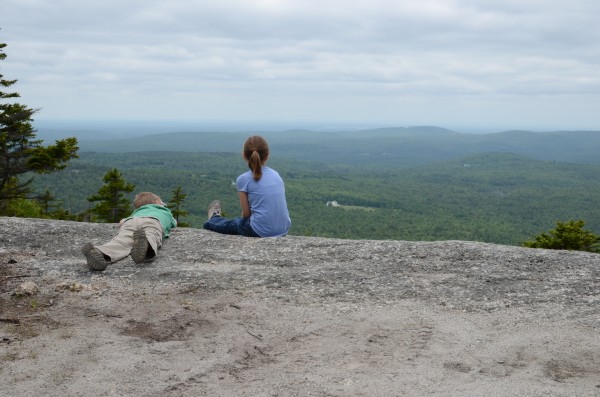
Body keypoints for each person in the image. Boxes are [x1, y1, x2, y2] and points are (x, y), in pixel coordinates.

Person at [203, 135, 291, 238]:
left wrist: (243, 222)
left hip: (260, 231)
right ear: (267, 156)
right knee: (241, 221)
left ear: (244, 155)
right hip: (283, 229)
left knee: (234, 224)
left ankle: (213, 219)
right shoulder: (276, 175)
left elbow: (246, 214)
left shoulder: (243, 179)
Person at [82, 192, 177, 271]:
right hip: (153, 220)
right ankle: (145, 244)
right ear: (157, 202)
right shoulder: (164, 210)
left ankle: (100, 252)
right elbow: (174, 223)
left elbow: (122, 221)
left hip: (131, 221)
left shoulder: (136, 212)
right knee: (150, 234)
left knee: (121, 240)